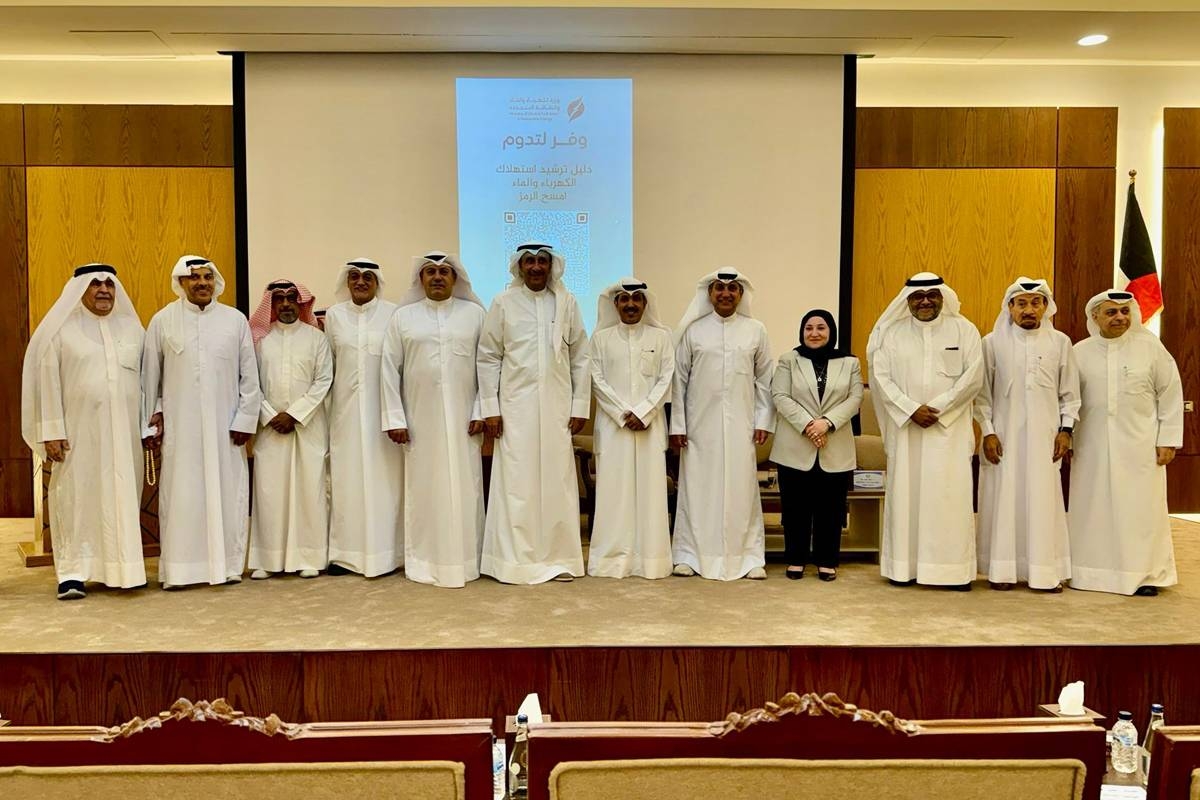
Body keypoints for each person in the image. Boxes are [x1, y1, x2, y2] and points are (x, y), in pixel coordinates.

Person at [21, 263, 147, 599]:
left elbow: (147, 383)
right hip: (77, 436)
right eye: (95, 284)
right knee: (76, 500)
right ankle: (72, 574)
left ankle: (124, 570)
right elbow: (46, 382)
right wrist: (51, 430)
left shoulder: (133, 329)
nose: (104, 290)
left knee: (123, 497)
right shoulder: (62, 330)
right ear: (80, 290)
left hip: (125, 437)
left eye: (109, 284)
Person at [141, 255, 261, 589]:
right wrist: (151, 419)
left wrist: (245, 420)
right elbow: (150, 378)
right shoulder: (163, 321)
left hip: (227, 429)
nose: (202, 283)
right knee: (182, 497)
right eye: (194, 277)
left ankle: (228, 566)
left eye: (208, 277)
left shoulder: (234, 320)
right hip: (181, 431)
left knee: (228, 493)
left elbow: (249, 376)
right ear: (181, 282)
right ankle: (180, 571)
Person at [477, 242, 589, 584]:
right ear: (519, 266)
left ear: (551, 266)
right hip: (515, 408)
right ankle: (512, 562)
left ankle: (558, 559)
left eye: (542, 261)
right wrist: (490, 408)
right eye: (529, 261)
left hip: (557, 407)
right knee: (516, 481)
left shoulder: (567, 303)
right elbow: (488, 356)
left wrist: (580, 405)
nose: (536, 267)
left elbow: (580, 356)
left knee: (558, 481)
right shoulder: (503, 302)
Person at [867, 272, 982, 590]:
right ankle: (904, 568)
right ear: (908, 300)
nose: (926, 301)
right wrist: (909, 409)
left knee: (950, 498)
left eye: (932, 295)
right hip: (907, 431)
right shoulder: (891, 334)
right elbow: (880, 377)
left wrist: (938, 408)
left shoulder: (964, 330)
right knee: (907, 496)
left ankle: (952, 571)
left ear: (943, 297)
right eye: (918, 296)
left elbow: (973, 378)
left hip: (949, 431)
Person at [382, 251, 487, 588]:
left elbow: (488, 366)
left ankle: (467, 560)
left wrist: (482, 410)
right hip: (418, 421)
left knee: (466, 488)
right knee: (424, 488)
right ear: (421, 279)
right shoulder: (403, 317)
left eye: (444, 272)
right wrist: (395, 418)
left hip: (465, 420)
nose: (438, 277)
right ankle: (424, 561)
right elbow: (389, 370)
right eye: (431, 272)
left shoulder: (475, 314)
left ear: (456, 279)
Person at [1068, 290, 1184, 596]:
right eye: (1111, 312)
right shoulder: (1079, 352)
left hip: (1141, 446)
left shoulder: (1151, 348)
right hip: (1091, 446)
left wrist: (1169, 439)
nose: (1120, 317)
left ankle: (1145, 575)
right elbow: (1068, 399)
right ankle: (1089, 573)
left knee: (1141, 510)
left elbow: (1170, 393)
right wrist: (1066, 436)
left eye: (1124, 311)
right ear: (1095, 317)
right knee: (1092, 508)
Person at [669, 269, 774, 581]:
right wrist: (678, 425)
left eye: (732, 289)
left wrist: (763, 419)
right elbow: (679, 380)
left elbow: (765, 379)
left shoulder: (756, 330)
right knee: (697, 489)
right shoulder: (694, 331)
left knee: (743, 490)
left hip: (742, 425)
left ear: (741, 294)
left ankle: (749, 557)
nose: (726, 293)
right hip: (698, 427)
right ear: (709, 293)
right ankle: (689, 554)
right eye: (719, 288)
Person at [975, 278, 1079, 593]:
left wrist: (1066, 430)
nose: (1029, 310)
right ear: (1010, 307)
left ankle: (1045, 572)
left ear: (1046, 307)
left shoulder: (1060, 342)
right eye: (1021, 303)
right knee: (1003, 498)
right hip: (1003, 437)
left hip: (1046, 438)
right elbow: (982, 395)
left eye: (1036, 303)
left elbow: (1070, 394)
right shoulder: (991, 343)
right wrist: (988, 432)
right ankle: (1003, 571)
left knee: (1044, 499)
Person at [587, 277, 674, 579]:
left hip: (650, 427)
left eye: (636, 299)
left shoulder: (661, 337)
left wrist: (644, 412)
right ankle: (611, 561)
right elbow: (596, 379)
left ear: (645, 303)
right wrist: (624, 413)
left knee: (651, 494)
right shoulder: (600, 339)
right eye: (624, 299)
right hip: (614, 428)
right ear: (615, 304)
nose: (631, 304)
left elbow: (667, 378)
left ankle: (652, 561)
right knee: (614, 494)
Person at [247, 280, 333, 580]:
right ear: (271, 304)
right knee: (270, 492)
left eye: (291, 298)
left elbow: (323, 380)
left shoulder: (316, 338)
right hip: (270, 428)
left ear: (301, 303)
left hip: (308, 426)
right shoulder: (259, 339)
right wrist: (270, 415)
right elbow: (250, 382)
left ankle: (309, 557)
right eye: (279, 299)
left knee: (309, 490)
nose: (285, 304)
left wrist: (294, 415)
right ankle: (267, 559)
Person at [769, 309, 862, 582]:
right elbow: (780, 395)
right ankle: (795, 558)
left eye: (821, 328)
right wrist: (810, 425)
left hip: (835, 443)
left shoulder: (850, 362)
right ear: (802, 332)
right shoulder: (788, 360)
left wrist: (827, 423)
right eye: (808, 328)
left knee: (831, 508)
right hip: (795, 443)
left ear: (831, 331)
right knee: (795, 507)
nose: (814, 333)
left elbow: (855, 398)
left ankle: (826, 560)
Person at [325, 258, 403, 577]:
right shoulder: (334, 316)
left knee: (385, 482)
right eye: (354, 276)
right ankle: (345, 555)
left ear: (377, 282)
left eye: (368, 277)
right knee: (346, 481)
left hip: (383, 413)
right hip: (344, 414)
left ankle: (388, 554)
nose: (360, 282)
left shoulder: (393, 314)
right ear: (347, 282)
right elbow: (329, 364)